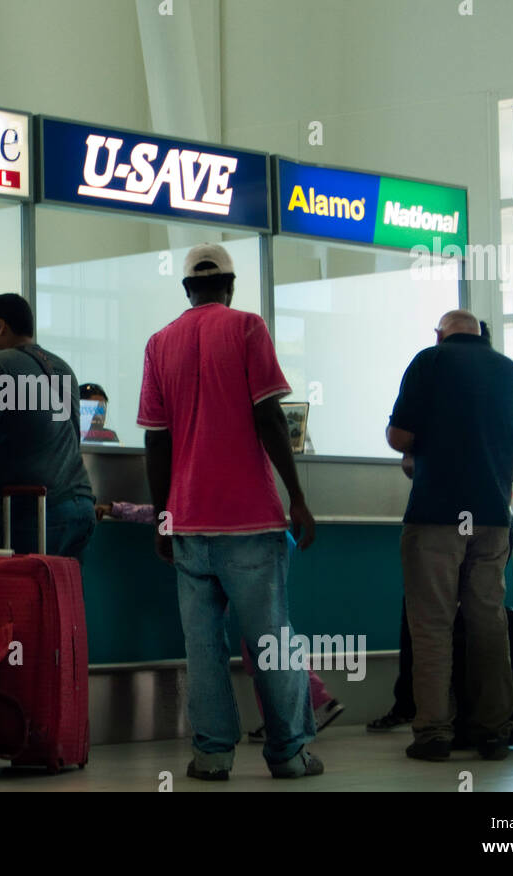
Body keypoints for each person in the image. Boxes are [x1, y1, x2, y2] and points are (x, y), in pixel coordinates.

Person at [139, 242, 322, 781]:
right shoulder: (247, 327)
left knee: (203, 650)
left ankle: (212, 756)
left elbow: (156, 440)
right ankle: (289, 754)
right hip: (250, 522)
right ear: (231, 284)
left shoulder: (159, 343)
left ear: (187, 289)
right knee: (271, 642)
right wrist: (298, 496)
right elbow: (269, 415)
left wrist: (161, 518)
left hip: (189, 523)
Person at [386, 309, 513, 761]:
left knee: (432, 626)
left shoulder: (428, 362)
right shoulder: (512, 372)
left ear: (440, 334)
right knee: (488, 621)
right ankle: (495, 731)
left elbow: (399, 437)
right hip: (492, 519)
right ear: (480, 335)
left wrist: (421, 449)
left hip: (436, 517)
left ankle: (434, 732)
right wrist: (498, 467)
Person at [93, 502, 344, 738]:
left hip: (250, 547)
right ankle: (299, 709)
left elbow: (156, 513)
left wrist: (116, 509)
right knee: (264, 638)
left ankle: (301, 710)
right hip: (261, 542)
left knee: (262, 643)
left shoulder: (188, 490)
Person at [0, 293, 96, 560]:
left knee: (1, 591)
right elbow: (44, 428)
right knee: (59, 599)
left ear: (1, 327)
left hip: (34, 512)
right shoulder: (62, 369)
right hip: (81, 508)